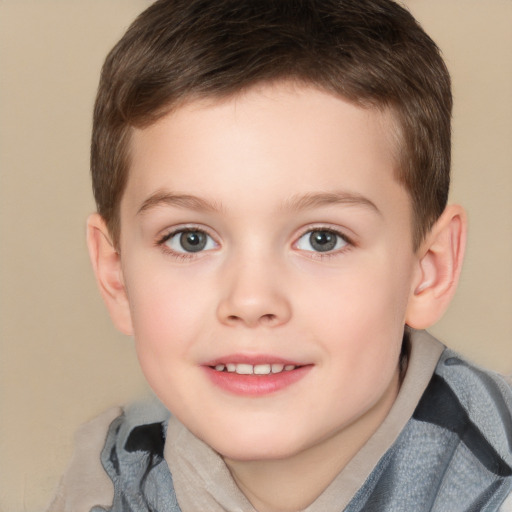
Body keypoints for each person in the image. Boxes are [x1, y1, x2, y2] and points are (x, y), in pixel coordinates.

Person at [48, 0, 512, 510]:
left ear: (427, 271)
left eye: (322, 239)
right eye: (190, 239)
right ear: (117, 278)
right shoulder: (107, 482)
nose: (251, 300)